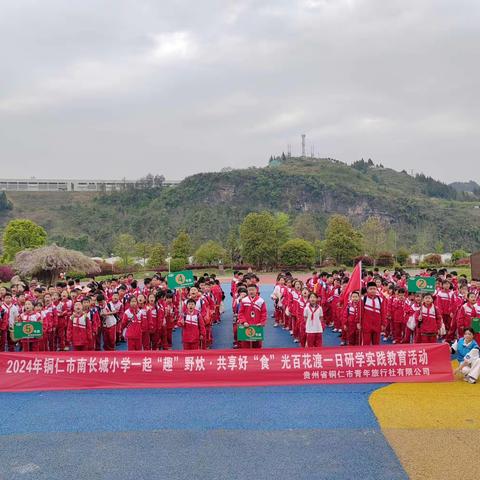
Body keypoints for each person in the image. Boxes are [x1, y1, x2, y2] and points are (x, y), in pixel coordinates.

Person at [238, 284, 267, 348]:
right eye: (249, 290)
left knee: (257, 344)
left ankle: (257, 357)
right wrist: (244, 322)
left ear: (256, 290)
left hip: (257, 325)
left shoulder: (261, 301)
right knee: (245, 344)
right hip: (246, 325)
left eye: (253, 290)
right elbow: (240, 313)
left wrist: (262, 323)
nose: (251, 291)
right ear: (247, 291)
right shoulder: (244, 300)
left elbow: (264, 313)